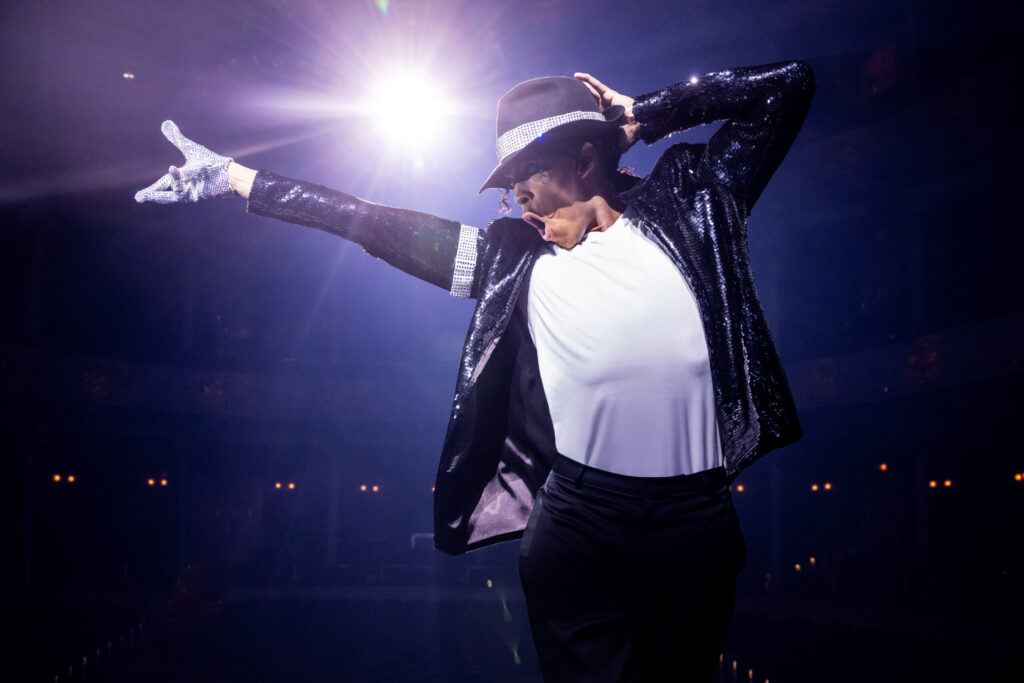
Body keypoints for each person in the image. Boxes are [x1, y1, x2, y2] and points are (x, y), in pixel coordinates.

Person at [136, 60, 815, 682]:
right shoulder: (510, 260)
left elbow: (788, 87)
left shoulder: (696, 202)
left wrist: (646, 114)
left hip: (698, 524)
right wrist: (234, 178)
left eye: (528, 186)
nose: (520, 206)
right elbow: (371, 223)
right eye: (512, 193)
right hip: (582, 527)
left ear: (584, 158)